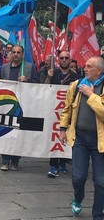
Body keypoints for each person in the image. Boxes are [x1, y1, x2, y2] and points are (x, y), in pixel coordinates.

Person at [59, 56, 104, 218]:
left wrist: (91, 95)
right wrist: (63, 129)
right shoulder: (76, 85)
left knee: (101, 181)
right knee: (78, 177)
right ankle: (78, 199)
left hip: (100, 141)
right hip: (80, 138)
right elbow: (67, 109)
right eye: (85, 66)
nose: (85, 69)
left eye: (89, 66)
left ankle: (98, 214)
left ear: (99, 70)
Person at [0, 44, 38, 171]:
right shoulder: (4, 67)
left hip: (23, 104)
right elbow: (1, 82)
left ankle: (15, 160)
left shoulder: (29, 67)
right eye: (13, 52)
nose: (15, 54)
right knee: (5, 131)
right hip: (8, 104)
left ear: (22, 54)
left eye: (18, 52)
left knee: (19, 133)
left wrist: (28, 80)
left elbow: (38, 83)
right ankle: (5, 160)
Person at [46, 51, 80, 177]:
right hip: (54, 111)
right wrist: (49, 77)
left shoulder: (76, 77)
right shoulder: (53, 73)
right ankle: (53, 164)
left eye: (66, 58)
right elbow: (44, 89)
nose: (64, 60)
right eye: (62, 58)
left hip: (69, 112)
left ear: (70, 60)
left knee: (67, 136)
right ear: (58, 60)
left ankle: (63, 161)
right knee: (54, 136)